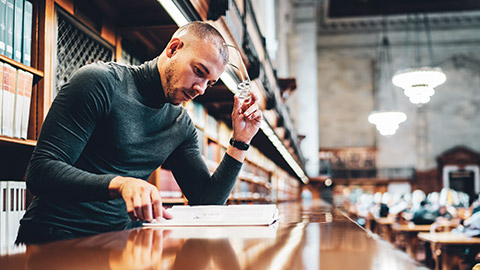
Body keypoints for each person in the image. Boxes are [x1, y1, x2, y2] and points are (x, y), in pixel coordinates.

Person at [16, 21, 262, 244]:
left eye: (210, 82)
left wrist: (240, 140)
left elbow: (206, 202)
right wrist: (120, 184)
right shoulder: (99, 83)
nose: (201, 89)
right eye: (199, 71)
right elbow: (40, 172)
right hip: (55, 238)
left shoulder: (180, 125)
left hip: (120, 242)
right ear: (173, 48)